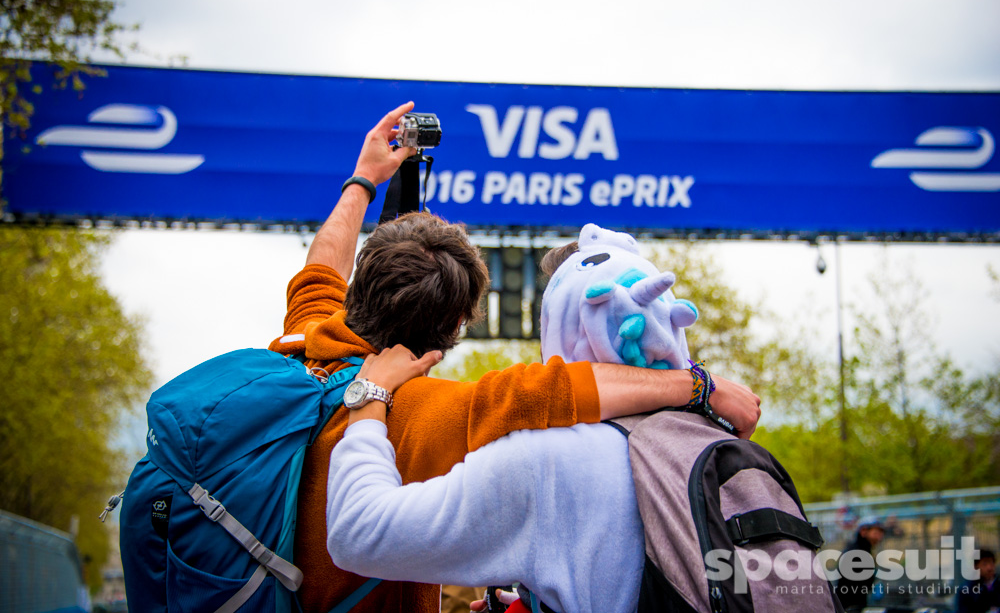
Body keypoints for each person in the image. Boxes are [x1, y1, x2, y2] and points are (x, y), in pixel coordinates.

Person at [270, 102, 762, 612]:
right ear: (456, 327)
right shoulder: (434, 411)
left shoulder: (307, 339)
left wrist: (363, 179)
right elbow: (564, 389)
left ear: (358, 286)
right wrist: (699, 386)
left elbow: (322, 263)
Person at [324, 224, 737, 612]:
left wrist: (369, 398)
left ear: (558, 322)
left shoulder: (540, 462)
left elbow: (357, 532)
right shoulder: (722, 440)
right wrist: (697, 386)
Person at [835, 517, 886, 612]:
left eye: (880, 533)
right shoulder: (856, 552)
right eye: (876, 533)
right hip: (850, 606)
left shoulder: (863, 550)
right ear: (863, 532)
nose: (879, 537)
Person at [958, 549, 1000, 613]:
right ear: (976, 567)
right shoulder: (967, 590)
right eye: (984, 564)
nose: (989, 568)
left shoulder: (997, 585)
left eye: (991, 564)